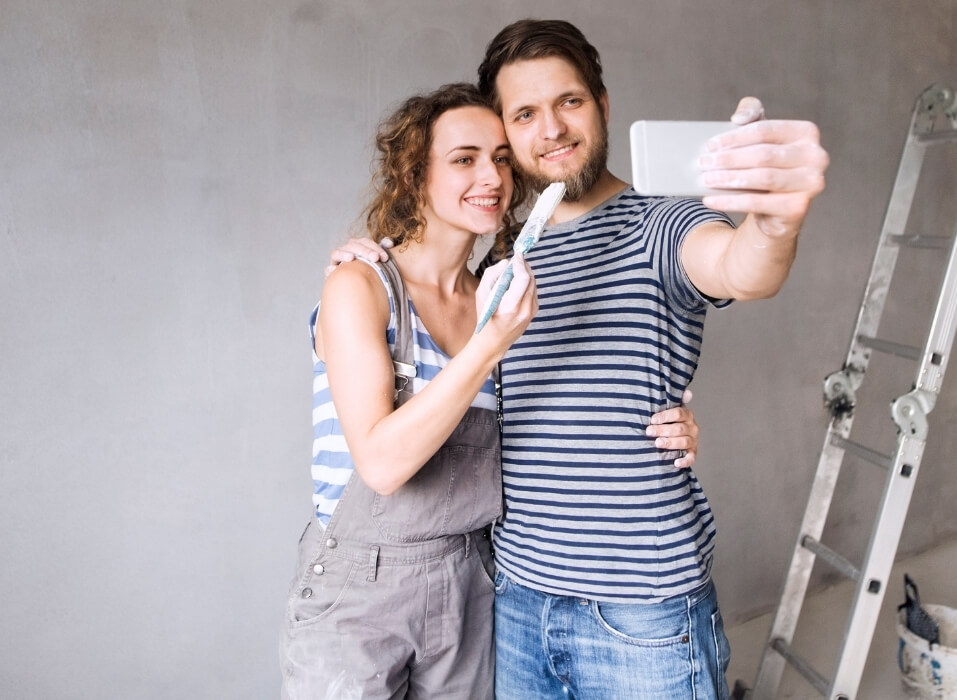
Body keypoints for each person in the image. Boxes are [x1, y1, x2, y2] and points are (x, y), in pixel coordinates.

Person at [329, 19, 829, 700]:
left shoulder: (661, 224)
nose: (553, 129)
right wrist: (367, 256)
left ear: (602, 105)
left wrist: (774, 223)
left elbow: (741, 268)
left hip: (641, 615)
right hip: (515, 600)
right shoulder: (503, 265)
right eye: (526, 114)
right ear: (506, 138)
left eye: (570, 102)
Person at [280, 82, 699, 699]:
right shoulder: (361, 287)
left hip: (473, 581)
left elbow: (565, 403)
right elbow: (382, 463)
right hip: (358, 591)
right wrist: (488, 346)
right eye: (464, 158)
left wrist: (673, 417)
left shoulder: (494, 297)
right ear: (413, 173)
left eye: (503, 158)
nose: (492, 176)